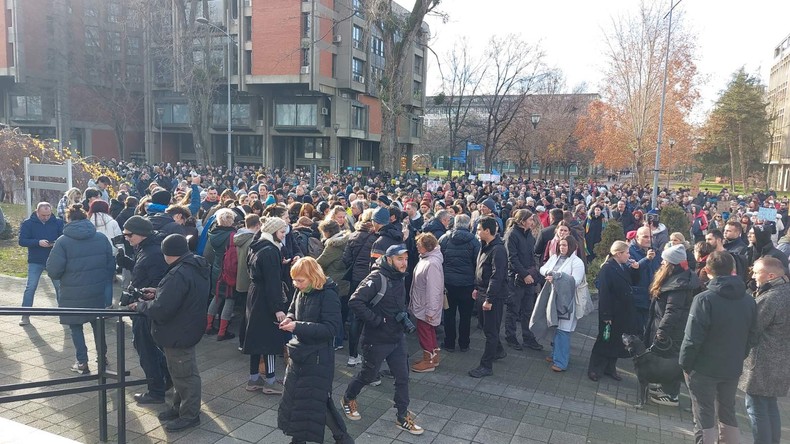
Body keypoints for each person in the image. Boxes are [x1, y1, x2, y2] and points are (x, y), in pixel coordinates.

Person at [128, 234, 209, 433]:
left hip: (178, 331)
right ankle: (178, 408)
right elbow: (182, 294)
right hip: (187, 327)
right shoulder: (195, 265)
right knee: (180, 372)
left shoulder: (178, 273)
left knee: (185, 375)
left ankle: (189, 415)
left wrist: (141, 305)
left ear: (167, 253)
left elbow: (162, 309)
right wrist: (158, 292)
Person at [342, 244, 424, 435]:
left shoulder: (399, 277)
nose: (404, 263)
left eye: (405, 259)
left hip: (396, 337)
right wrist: (377, 321)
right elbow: (355, 301)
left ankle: (402, 415)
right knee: (368, 375)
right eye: (399, 259)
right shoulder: (377, 278)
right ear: (389, 259)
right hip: (376, 339)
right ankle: (348, 398)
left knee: (403, 377)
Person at [680, 251, 757, 444]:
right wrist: (739, 356)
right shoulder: (749, 300)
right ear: (733, 270)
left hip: (703, 368)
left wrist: (685, 364)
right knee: (728, 412)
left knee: (704, 415)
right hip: (731, 367)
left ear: (706, 270)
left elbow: (692, 338)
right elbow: (753, 335)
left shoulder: (704, 299)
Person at [276, 257, 354, 444]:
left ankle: (342, 438)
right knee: (299, 400)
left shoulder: (328, 294)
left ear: (313, 276)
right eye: (294, 280)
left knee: (314, 402)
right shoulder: (301, 290)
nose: (296, 284)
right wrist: (289, 318)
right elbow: (293, 309)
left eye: (300, 280)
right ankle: (301, 439)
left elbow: (331, 329)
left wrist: (297, 326)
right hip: (300, 354)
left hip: (318, 358)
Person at [46, 204, 114, 374]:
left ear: (68, 219)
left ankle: (82, 362)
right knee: (98, 325)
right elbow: (110, 263)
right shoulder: (100, 238)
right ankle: (103, 357)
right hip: (96, 290)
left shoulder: (63, 241)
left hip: (71, 292)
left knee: (75, 326)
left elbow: (54, 270)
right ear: (86, 218)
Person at [116, 215, 173, 404]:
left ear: (141, 234)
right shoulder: (145, 248)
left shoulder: (153, 252)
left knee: (146, 349)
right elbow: (144, 270)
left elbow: (157, 281)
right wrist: (126, 262)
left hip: (145, 309)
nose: (126, 238)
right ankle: (167, 378)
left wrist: (142, 298)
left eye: (128, 234)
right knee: (148, 347)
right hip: (143, 307)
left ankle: (156, 390)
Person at [738, 257, 790, 444]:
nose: (752, 275)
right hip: (781, 363)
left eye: (756, 271)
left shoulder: (771, 298)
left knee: (756, 409)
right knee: (770, 407)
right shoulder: (785, 292)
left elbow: (752, 326)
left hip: (762, 364)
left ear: (770, 275)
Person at [644, 244, 700, 407]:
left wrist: (661, 332)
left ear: (671, 265)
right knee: (667, 360)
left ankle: (671, 395)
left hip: (671, 331)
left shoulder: (679, 285)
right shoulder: (680, 278)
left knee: (670, 361)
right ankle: (666, 388)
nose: (661, 263)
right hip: (669, 328)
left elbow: (672, 311)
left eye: (664, 261)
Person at [243, 216, 288, 395]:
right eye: (282, 232)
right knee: (269, 340)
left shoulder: (257, 246)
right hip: (265, 299)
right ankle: (270, 381)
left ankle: (254, 378)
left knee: (255, 338)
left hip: (254, 295)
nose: (284, 235)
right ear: (273, 231)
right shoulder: (270, 251)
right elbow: (272, 282)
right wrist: (277, 308)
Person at [587, 240, 640, 382]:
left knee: (616, 340)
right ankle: (595, 368)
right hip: (611, 311)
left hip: (623, 312)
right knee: (604, 339)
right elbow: (604, 293)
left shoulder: (623, 266)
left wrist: (635, 269)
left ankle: (610, 368)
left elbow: (633, 282)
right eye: (627, 253)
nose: (629, 256)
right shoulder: (608, 268)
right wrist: (606, 314)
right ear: (618, 253)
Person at [533, 236, 585, 372]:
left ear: (573, 247)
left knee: (563, 330)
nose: (562, 247)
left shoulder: (577, 262)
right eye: (561, 245)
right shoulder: (555, 257)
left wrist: (558, 276)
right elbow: (543, 269)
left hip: (567, 301)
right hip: (552, 298)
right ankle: (554, 354)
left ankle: (561, 362)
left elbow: (576, 281)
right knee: (555, 327)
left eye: (565, 245)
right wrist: (551, 273)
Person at [468, 216, 508, 378]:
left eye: (479, 229)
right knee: (485, 326)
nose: (477, 232)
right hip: (482, 292)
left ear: (487, 231)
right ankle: (498, 350)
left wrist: (489, 299)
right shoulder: (484, 246)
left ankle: (486, 366)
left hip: (493, 296)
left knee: (491, 331)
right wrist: (476, 288)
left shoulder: (498, 250)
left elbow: (496, 276)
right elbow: (479, 269)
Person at [438, 213, 480, 353]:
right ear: (469, 225)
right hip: (467, 284)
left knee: (449, 314)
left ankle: (449, 343)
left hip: (448, 283)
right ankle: (464, 344)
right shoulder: (474, 241)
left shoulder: (444, 239)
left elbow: (439, 260)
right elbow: (477, 264)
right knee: (465, 316)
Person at [18, 202, 64, 326]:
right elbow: (22, 241)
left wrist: (55, 243)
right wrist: (37, 242)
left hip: (53, 259)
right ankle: (25, 315)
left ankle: (64, 313)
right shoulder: (28, 223)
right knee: (30, 287)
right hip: (36, 260)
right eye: (43, 215)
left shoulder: (58, 222)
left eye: (48, 215)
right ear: (37, 212)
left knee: (59, 287)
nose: (46, 217)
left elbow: (63, 237)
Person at [503, 209, 543, 351]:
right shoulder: (512, 235)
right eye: (531, 220)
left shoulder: (529, 235)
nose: (533, 222)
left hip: (529, 277)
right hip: (515, 278)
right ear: (522, 221)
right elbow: (511, 258)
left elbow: (532, 256)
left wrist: (532, 272)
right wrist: (524, 274)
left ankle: (528, 337)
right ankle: (511, 336)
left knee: (528, 309)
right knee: (513, 308)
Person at [342, 209, 377, 366]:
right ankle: (369, 353)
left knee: (355, 316)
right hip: (370, 279)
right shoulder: (376, 237)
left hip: (355, 280)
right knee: (371, 315)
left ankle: (352, 355)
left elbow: (346, 259)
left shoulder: (354, 235)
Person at [409, 233, 444, 373]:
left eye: (419, 245)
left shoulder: (432, 263)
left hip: (425, 305)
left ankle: (428, 360)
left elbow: (434, 289)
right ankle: (433, 356)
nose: (417, 247)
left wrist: (431, 310)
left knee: (424, 331)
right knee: (428, 331)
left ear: (426, 247)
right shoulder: (428, 259)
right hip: (423, 303)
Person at [315, 219, 350, 349]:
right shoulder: (345, 240)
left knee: (334, 313)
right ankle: (341, 338)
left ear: (328, 232)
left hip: (336, 282)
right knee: (342, 312)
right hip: (345, 280)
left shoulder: (333, 245)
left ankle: (337, 341)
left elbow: (321, 262)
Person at [205, 208, 238, 341]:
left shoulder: (212, 233)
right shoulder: (232, 235)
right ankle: (222, 332)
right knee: (229, 299)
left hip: (216, 268)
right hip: (228, 270)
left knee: (216, 297)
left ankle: (208, 326)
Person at [630, 226, 661, 332]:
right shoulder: (630, 251)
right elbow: (632, 270)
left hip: (653, 296)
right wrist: (646, 259)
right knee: (637, 330)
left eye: (651, 237)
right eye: (645, 237)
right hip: (637, 298)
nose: (649, 239)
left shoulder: (655, 251)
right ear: (637, 237)